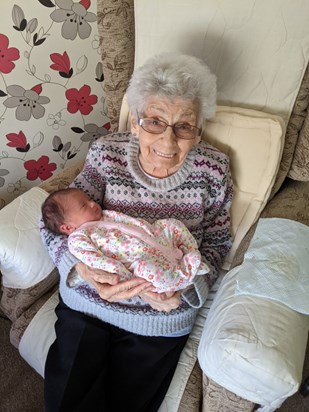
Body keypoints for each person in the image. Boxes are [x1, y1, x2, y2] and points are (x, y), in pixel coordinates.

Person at [40, 52, 233, 412]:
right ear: (135, 123)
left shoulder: (214, 169)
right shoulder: (106, 154)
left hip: (160, 317)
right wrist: (79, 268)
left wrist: (186, 291)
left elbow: (220, 242)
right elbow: (53, 219)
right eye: (155, 122)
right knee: (66, 402)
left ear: (199, 130)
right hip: (90, 305)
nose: (168, 142)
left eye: (185, 126)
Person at [41, 187, 209, 292]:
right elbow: (98, 261)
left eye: (90, 200)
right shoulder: (78, 239)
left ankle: (188, 251)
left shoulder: (105, 216)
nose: (93, 203)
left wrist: (153, 231)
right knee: (146, 270)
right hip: (139, 261)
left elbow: (133, 223)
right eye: (84, 205)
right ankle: (182, 275)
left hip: (156, 238)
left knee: (171, 225)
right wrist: (124, 276)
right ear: (68, 228)